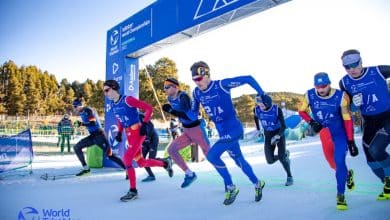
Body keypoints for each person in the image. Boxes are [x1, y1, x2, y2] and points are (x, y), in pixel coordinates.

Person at [190, 61, 265, 205]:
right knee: (239, 161)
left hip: (234, 129)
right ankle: (257, 183)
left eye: (199, 78)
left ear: (206, 74)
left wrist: (262, 94)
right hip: (222, 132)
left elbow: (248, 78)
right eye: (194, 80)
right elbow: (193, 114)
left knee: (212, 155)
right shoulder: (196, 93)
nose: (197, 83)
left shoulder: (221, 85)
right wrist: (181, 111)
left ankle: (230, 187)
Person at [103, 79, 173, 202]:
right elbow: (120, 119)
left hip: (137, 133)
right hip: (128, 134)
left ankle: (133, 191)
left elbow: (148, 108)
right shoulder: (113, 104)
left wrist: (145, 124)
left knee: (127, 159)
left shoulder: (127, 100)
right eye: (104, 91)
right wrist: (119, 133)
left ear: (114, 88)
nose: (105, 93)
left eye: (107, 90)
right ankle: (165, 163)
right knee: (140, 162)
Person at [299, 72, 358, 210]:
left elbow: (347, 119)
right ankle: (347, 174)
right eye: (318, 86)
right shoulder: (309, 95)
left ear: (329, 84)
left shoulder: (341, 96)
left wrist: (351, 141)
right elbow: (301, 111)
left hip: (340, 133)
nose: (321, 89)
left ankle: (340, 194)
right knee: (333, 165)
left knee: (339, 160)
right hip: (325, 133)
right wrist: (311, 122)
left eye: (324, 86)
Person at [339, 49, 390, 200]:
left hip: (388, 116)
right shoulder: (344, 82)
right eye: (347, 67)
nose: (352, 69)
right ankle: (386, 183)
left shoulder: (378, 71)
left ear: (361, 61)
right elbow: (348, 107)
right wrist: (354, 105)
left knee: (376, 149)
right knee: (370, 158)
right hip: (369, 121)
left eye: (355, 64)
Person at [162, 77, 210, 188]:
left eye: (167, 86)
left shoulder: (183, 96)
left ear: (176, 87)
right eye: (164, 87)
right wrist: (172, 111)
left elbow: (188, 115)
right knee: (172, 150)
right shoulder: (169, 98)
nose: (165, 89)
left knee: (211, 156)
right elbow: (178, 114)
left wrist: (172, 111)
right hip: (187, 131)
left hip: (197, 129)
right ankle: (190, 174)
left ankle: (229, 182)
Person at [72, 96, 126, 177]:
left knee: (110, 155)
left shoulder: (88, 110)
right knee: (77, 147)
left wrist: (81, 124)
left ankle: (127, 168)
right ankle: (86, 169)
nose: (74, 108)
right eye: (73, 106)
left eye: (75, 106)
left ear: (80, 105)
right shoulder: (82, 112)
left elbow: (93, 123)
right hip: (93, 136)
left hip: (100, 136)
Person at [253, 94, 293, 186]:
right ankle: (285, 155)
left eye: (262, 105)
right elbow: (255, 117)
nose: (260, 107)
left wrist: (278, 136)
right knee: (270, 161)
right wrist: (258, 129)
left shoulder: (276, 110)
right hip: (268, 134)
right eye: (259, 104)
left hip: (279, 133)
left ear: (267, 104)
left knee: (281, 157)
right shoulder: (256, 109)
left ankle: (289, 176)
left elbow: (283, 126)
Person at [138, 112, 159, 182]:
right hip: (145, 141)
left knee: (151, 160)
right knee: (142, 160)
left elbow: (147, 133)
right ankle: (151, 175)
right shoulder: (134, 116)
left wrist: (150, 146)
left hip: (153, 140)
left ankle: (166, 161)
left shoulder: (147, 123)